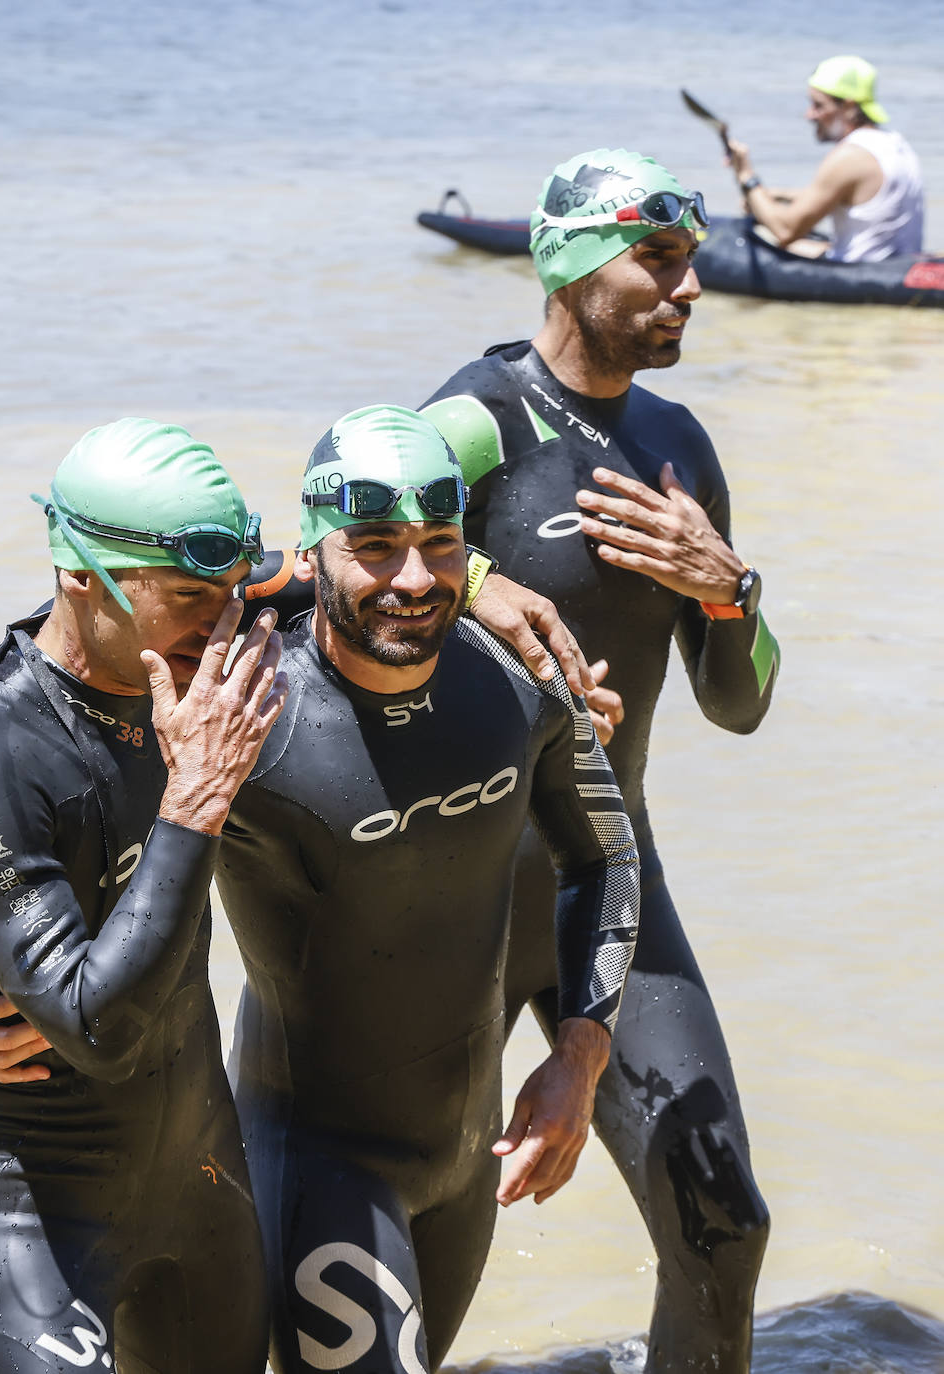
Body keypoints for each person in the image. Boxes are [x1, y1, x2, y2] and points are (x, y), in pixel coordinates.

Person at [421, 148, 781, 1374]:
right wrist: (478, 580)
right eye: (662, 262)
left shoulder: (679, 445)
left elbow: (737, 708)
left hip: (606, 881)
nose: (691, 289)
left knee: (724, 1227)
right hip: (437, 897)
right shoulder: (478, 416)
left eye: (693, 264)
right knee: (417, 1261)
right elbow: (329, 542)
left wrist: (726, 589)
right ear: (573, 268)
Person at [219, 403, 640, 1373]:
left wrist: (578, 1055)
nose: (414, 579)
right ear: (315, 553)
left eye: (441, 547)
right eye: (374, 548)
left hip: (466, 1160)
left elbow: (605, 858)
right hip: (313, 1161)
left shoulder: (519, 680)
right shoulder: (247, 718)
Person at [0, 417, 289, 1372]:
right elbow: (97, 1030)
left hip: (202, 1176)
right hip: (37, 1203)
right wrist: (195, 798)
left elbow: (370, 566)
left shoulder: (200, 654)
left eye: (233, 593)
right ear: (81, 574)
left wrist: (488, 586)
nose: (223, 625)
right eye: (190, 599)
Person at [727, 55, 924, 261]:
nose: (809, 115)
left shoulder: (850, 156)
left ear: (848, 107)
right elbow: (851, 195)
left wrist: (746, 175)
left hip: (859, 275)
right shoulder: (895, 144)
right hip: (898, 266)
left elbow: (785, 231)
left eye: (818, 105)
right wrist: (778, 195)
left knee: (770, 238)